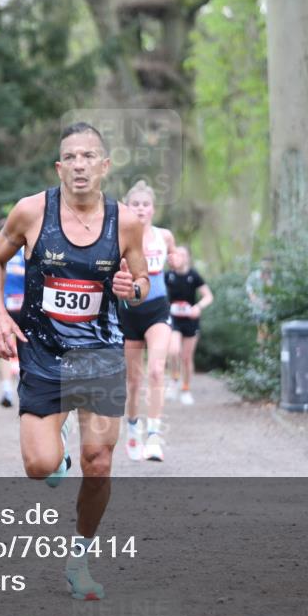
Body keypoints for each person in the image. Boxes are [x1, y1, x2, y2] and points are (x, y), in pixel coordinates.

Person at [0, 122, 149, 601]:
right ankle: (57, 452)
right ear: (60, 167)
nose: (80, 165)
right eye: (71, 157)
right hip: (44, 353)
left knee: (99, 465)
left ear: (104, 166)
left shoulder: (127, 223)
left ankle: (80, 558)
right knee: (40, 466)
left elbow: (140, 283)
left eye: (89, 156)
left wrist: (130, 290)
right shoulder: (32, 212)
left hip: (100, 355)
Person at [118, 181, 176, 462]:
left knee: (156, 370)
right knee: (133, 381)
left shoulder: (164, 236)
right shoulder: (120, 237)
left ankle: (154, 434)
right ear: (127, 207)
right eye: (135, 204)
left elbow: (174, 256)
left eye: (145, 204)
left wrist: (176, 261)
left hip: (157, 309)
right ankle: (132, 426)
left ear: (153, 209)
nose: (141, 209)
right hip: (129, 311)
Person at [165, 246, 213, 405]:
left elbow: (208, 296)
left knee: (186, 358)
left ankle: (185, 389)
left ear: (187, 258)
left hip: (190, 321)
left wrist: (198, 307)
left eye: (183, 254)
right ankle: (174, 379)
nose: (179, 257)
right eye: (176, 254)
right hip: (174, 320)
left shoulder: (194, 275)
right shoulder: (168, 275)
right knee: (173, 350)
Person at [0, 230, 25, 408]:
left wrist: (20, 271)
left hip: (25, 303)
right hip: (7, 303)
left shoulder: (26, 248)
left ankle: (25, 387)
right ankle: (7, 389)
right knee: (5, 346)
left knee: (27, 346)